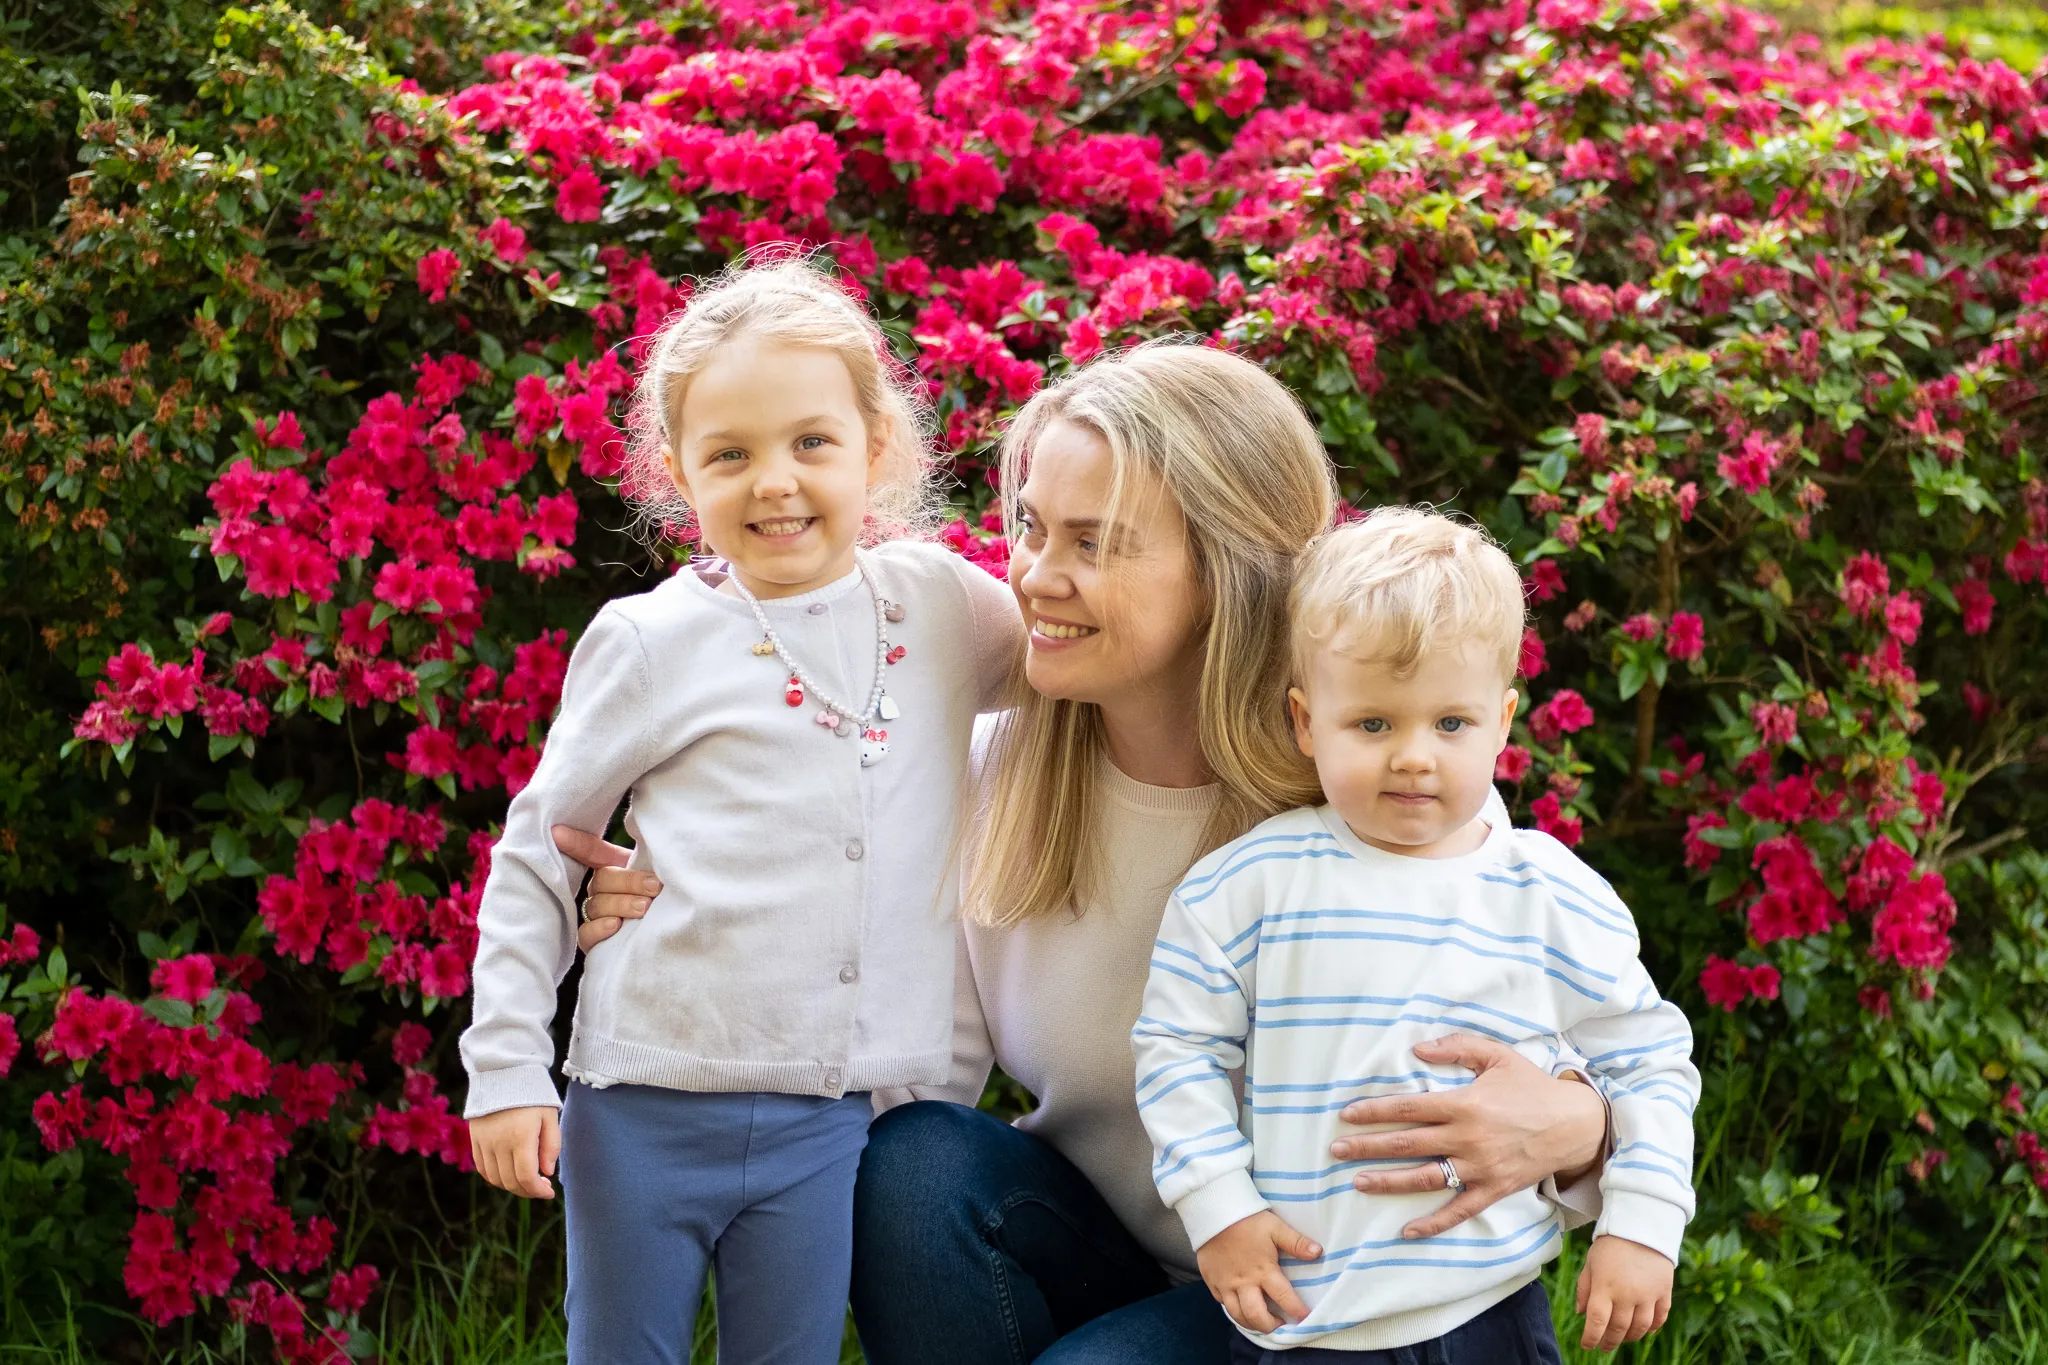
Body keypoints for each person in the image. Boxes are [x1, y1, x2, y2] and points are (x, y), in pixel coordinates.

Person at [565, 341, 1620, 1364]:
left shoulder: (1354, 790)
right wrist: (680, 923)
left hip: (1341, 1301)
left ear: (1225, 570)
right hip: (1127, 1264)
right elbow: (883, 1047)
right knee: (916, 1165)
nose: (1032, 575)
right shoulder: (987, 775)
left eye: (1092, 542)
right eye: (1028, 528)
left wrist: (1579, 1125)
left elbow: (1582, 1026)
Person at [459, 257, 1019, 1365]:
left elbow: (1078, 672)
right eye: (730, 455)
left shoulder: (948, 606)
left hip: (830, 1119)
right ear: (676, 474)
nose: (774, 482)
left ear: (877, 446)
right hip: (647, 1096)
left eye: (810, 442)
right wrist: (506, 1067)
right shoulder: (650, 641)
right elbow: (540, 851)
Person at [1136, 508, 1696, 1365]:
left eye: (1450, 723)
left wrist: (1643, 1222)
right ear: (1303, 720)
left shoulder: (1549, 893)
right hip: (1301, 1311)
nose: (1413, 757)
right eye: (1372, 723)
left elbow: (1650, 1060)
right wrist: (1221, 1210)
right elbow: (1178, 1050)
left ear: (1503, 722)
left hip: (1488, 1308)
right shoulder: (1245, 887)